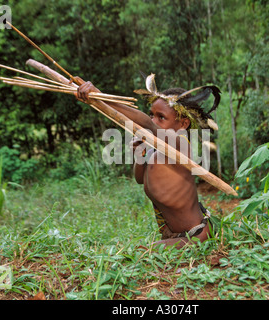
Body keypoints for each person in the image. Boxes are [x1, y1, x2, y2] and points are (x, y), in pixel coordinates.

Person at [77, 74, 221, 249]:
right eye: (152, 115)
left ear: (183, 124)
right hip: (177, 235)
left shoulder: (181, 145)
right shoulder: (156, 146)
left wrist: (99, 96)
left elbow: (148, 125)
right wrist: (140, 154)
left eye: (161, 117)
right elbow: (140, 178)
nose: (154, 121)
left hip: (197, 235)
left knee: (141, 252)